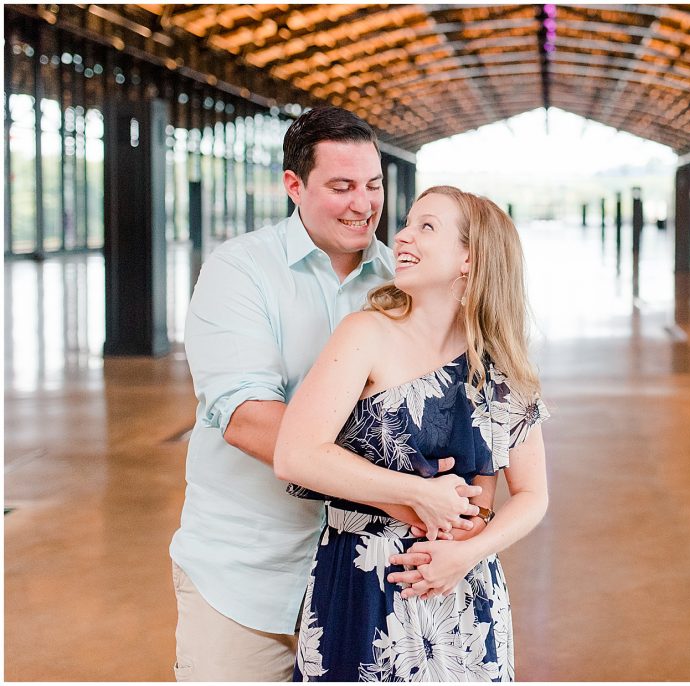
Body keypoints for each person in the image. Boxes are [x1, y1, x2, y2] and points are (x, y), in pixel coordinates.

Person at [168, 107, 485, 681]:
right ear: (294, 185)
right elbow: (244, 418)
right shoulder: (240, 271)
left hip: (369, 579)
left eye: (373, 185)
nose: (363, 204)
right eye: (341, 187)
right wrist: (402, 494)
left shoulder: (401, 278)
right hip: (251, 576)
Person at [274, 185, 550, 681]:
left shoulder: (499, 363)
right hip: (363, 576)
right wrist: (420, 495)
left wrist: (467, 552)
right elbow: (295, 454)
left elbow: (532, 495)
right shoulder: (365, 334)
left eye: (427, 227)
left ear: (469, 259)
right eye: (406, 223)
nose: (401, 236)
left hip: (460, 584)